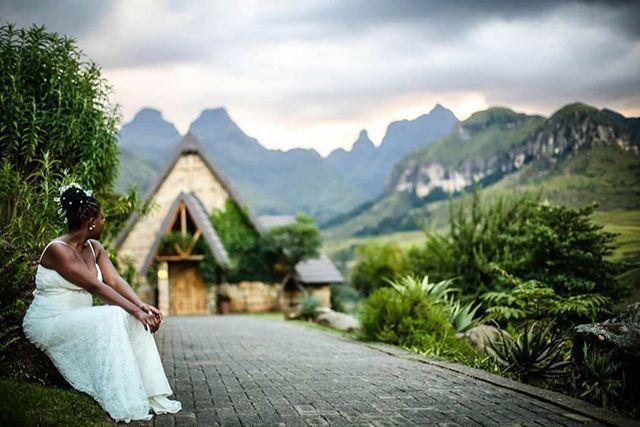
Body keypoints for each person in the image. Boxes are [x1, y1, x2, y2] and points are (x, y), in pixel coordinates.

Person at [22, 183, 182, 423]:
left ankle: (149, 393)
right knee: (115, 315)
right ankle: (121, 398)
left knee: (129, 316)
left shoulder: (94, 247)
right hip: (50, 322)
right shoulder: (58, 251)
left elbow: (115, 281)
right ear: (92, 223)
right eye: (102, 218)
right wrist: (136, 311)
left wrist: (141, 306)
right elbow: (96, 287)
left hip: (79, 319)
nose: (104, 222)